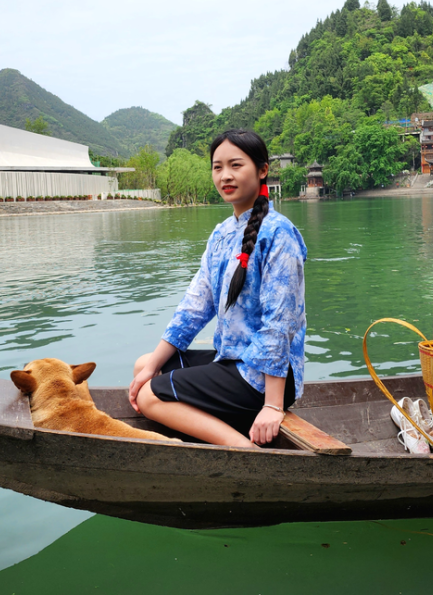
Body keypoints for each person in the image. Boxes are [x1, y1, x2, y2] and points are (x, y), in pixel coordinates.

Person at [128, 129, 307, 449]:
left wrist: (272, 405)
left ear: (262, 170)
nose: (225, 175)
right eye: (217, 167)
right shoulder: (223, 233)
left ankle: (244, 450)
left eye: (236, 165)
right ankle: (223, 418)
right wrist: (154, 364)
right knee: (144, 365)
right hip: (233, 359)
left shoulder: (280, 234)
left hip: (266, 378)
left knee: (149, 397)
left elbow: (279, 324)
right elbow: (195, 306)